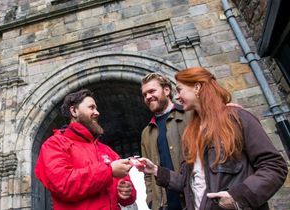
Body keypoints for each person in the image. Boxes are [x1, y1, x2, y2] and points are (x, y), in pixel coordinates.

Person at [138, 67, 288, 210]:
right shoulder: (191, 132)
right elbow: (191, 181)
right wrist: (156, 171)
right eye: (144, 94)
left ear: (197, 88)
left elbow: (274, 166)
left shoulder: (236, 118)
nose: (177, 96)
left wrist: (238, 198)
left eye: (179, 90)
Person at [35, 89, 136, 210]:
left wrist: (127, 192)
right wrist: (108, 171)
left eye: (96, 108)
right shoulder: (54, 145)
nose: (97, 112)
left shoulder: (107, 150)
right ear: (74, 111)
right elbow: (64, 185)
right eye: (91, 107)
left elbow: (126, 191)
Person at [140, 73, 190, 210]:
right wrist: (151, 200)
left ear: (166, 91)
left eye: (151, 91)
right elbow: (147, 174)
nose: (148, 97)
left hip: (194, 200)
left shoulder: (189, 115)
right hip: (165, 206)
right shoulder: (146, 133)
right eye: (145, 94)